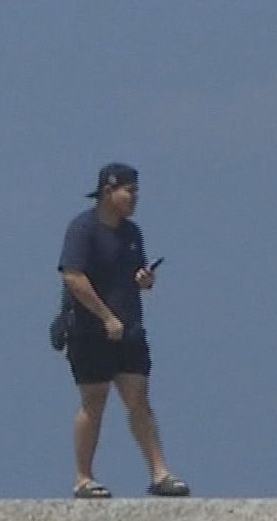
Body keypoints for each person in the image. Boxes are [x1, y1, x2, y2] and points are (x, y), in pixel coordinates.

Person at [57, 162, 189, 499]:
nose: (134, 198)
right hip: (90, 333)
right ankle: (84, 477)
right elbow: (73, 276)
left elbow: (134, 275)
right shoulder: (82, 229)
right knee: (93, 401)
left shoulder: (133, 233)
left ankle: (160, 473)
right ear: (108, 191)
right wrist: (105, 317)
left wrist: (145, 281)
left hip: (129, 330)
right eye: (129, 191)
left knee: (138, 399)